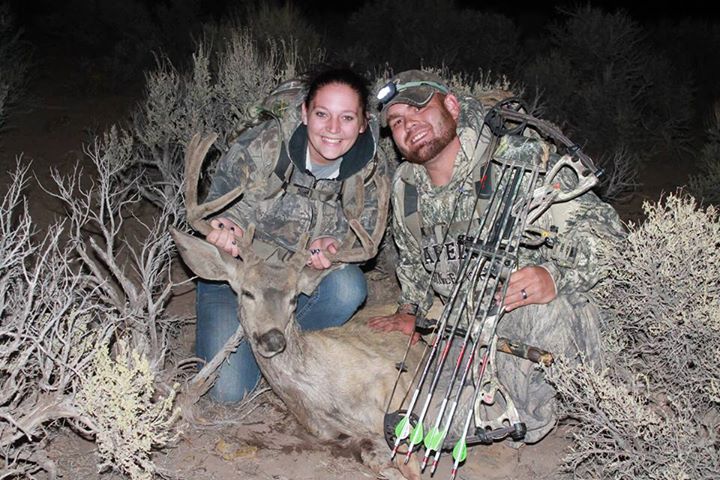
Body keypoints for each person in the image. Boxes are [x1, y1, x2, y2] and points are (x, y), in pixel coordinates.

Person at [368, 70, 625, 443]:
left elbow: (610, 237)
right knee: (433, 417)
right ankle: (483, 403)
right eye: (397, 121)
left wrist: (554, 276)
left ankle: (532, 413)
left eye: (419, 109)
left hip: (547, 321)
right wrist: (410, 310)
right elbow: (413, 263)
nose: (410, 125)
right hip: (471, 328)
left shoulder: (520, 162)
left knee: (533, 311)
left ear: (452, 107)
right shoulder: (406, 186)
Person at [197, 67, 387, 403]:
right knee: (228, 392)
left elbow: (365, 236)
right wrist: (227, 226)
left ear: (363, 123)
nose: (332, 129)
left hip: (294, 282)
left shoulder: (370, 169)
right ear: (304, 113)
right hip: (243, 276)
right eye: (322, 114)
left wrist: (334, 244)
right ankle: (253, 346)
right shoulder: (265, 144)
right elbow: (220, 204)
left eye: (346, 118)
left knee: (348, 288)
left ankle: (278, 352)